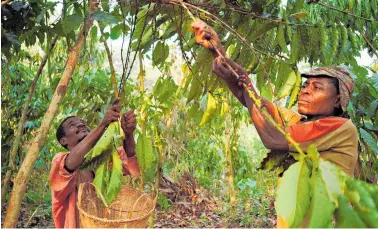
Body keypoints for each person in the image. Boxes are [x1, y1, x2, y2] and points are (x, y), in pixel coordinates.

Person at [191, 20, 358, 176]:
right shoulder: (298, 122)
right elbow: (250, 100)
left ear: (337, 100)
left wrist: (244, 80)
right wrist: (216, 49)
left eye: (317, 87)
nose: (306, 91)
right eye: (305, 85)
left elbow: (273, 138)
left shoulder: (339, 127)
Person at [49, 98, 140, 228]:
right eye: (72, 125)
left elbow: (134, 169)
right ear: (63, 141)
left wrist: (129, 134)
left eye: (83, 123)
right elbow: (72, 163)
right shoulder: (60, 161)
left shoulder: (103, 156)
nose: (81, 124)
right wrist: (103, 125)